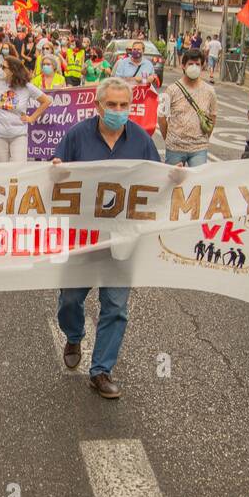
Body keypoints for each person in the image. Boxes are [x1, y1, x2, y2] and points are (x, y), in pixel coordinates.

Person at [52, 77, 162, 399]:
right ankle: (74, 334)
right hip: (82, 237)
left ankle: (101, 370)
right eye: (111, 105)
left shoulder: (141, 139)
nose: (117, 111)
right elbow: (56, 173)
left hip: (122, 239)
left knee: (115, 306)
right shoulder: (76, 136)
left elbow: (156, 179)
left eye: (123, 105)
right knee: (71, 299)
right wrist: (56, 169)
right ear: (97, 106)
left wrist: (175, 175)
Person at [0, 55, 49, 162]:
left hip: (19, 135)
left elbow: (46, 101)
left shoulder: (27, 87)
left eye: (4, 67)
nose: (0, 69)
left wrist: (32, 118)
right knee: (2, 170)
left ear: (13, 70)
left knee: (18, 169)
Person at [159, 49, 216, 167]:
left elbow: (212, 116)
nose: (194, 67)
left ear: (202, 66)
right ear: (183, 66)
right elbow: (161, 117)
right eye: (190, 64)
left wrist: (204, 138)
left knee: (197, 182)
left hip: (199, 148)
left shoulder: (210, 91)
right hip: (175, 147)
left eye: (197, 64)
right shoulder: (171, 90)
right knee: (173, 182)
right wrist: (168, 139)